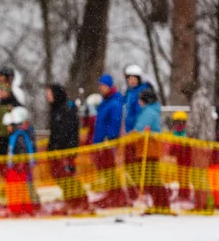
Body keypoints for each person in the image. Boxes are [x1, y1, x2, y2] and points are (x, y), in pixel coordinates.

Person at [46, 84, 91, 214]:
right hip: (58, 151)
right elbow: (55, 132)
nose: (47, 96)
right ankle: (71, 201)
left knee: (67, 177)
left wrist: (61, 148)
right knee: (61, 177)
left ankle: (81, 201)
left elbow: (67, 132)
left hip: (66, 151)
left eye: (49, 94)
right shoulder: (55, 110)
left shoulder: (67, 110)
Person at [133, 89, 170, 214]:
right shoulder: (149, 111)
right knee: (150, 179)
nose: (139, 102)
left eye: (140, 99)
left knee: (152, 178)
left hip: (149, 150)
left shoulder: (149, 112)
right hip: (148, 149)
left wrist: (130, 135)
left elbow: (139, 128)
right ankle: (159, 203)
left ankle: (163, 204)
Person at [92, 74, 126, 208]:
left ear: (109, 86)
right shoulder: (105, 102)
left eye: (103, 85)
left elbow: (115, 122)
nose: (100, 88)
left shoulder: (115, 102)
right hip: (101, 142)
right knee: (106, 171)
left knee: (110, 170)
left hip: (108, 142)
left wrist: (109, 138)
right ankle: (112, 195)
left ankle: (117, 197)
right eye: (100, 85)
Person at [182, 81, 216, 212]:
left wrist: (187, 136)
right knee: (201, 174)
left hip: (200, 142)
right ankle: (202, 204)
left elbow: (193, 123)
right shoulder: (205, 100)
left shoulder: (197, 102)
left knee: (199, 174)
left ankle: (205, 204)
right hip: (207, 141)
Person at [123, 64, 152, 202]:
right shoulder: (128, 93)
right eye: (129, 78)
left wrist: (137, 127)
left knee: (140, 164)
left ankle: (142, 191)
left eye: (134, 78)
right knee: (130, 164)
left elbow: (142, 113)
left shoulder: (142, 92)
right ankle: (133, 191)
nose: (132, 81)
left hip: (139, 132)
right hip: (130, 133)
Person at [4, 106, 39, 216]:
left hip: (22, 166)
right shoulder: (19, 134)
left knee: (26, 185)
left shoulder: (20, 135)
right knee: (26, 185)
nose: (7, 128)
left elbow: (23, 149)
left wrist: (21, 162)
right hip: (21, 165)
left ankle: (28, 206)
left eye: (9, 125)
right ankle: (27, 205)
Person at [169, 111, 192, 203]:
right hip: (181, 159)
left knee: (184, 177)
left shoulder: (185, 134)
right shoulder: (176, 133)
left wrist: (173, 151)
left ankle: (185, 194)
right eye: (176, 122)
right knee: (182, 177)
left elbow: (185, 147)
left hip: (185, 158)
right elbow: (174, 146)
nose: (177, 124)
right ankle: (183, 193)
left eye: (179, 122)